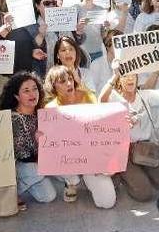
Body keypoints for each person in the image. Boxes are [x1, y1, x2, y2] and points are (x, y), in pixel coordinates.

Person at [98, 60, 159, 201]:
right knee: (144, 194)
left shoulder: (145, 95)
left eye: (133, 75)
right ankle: (122, 176)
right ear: (119, 80)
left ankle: (144, 173)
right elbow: (101, 101)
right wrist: (115, 75)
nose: (129, 79)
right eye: (125, 76)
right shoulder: (114, 97)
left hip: (145, 148)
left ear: (137, 78)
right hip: (124, 151)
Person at [43, 66, 115, 208]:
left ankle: (88, 178)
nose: (69, 84)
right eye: (62, 82)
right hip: (68, 160)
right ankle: (71, 181)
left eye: (70, 79)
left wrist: (105, 161)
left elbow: (102, 127)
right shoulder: (50, 110)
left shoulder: (88, 96)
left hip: (92, 157)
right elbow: (51, 146)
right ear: (53, 86)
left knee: (107, 202)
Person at [0, 72, 57, 210]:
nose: (32, 94)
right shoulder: (15, 119)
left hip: (37, 163)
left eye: (35, 89)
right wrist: (40, 145)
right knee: (38, 171)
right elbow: (22, 155)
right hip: (18, 166)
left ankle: (27, 183)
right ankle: (11, 192)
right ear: (16, 96)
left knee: (49, 196)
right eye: (26, 91)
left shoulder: (42, 113)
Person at [32, 0, 85, 77]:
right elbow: (31, 48)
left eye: (54, 3)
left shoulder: (64, 19)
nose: (51, 6)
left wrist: (78, 33)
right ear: (37, 6)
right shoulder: (33, 26)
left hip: (69, 71)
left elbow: (77, 43)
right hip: (46, 73)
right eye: (47, 3)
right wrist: (41, 34)